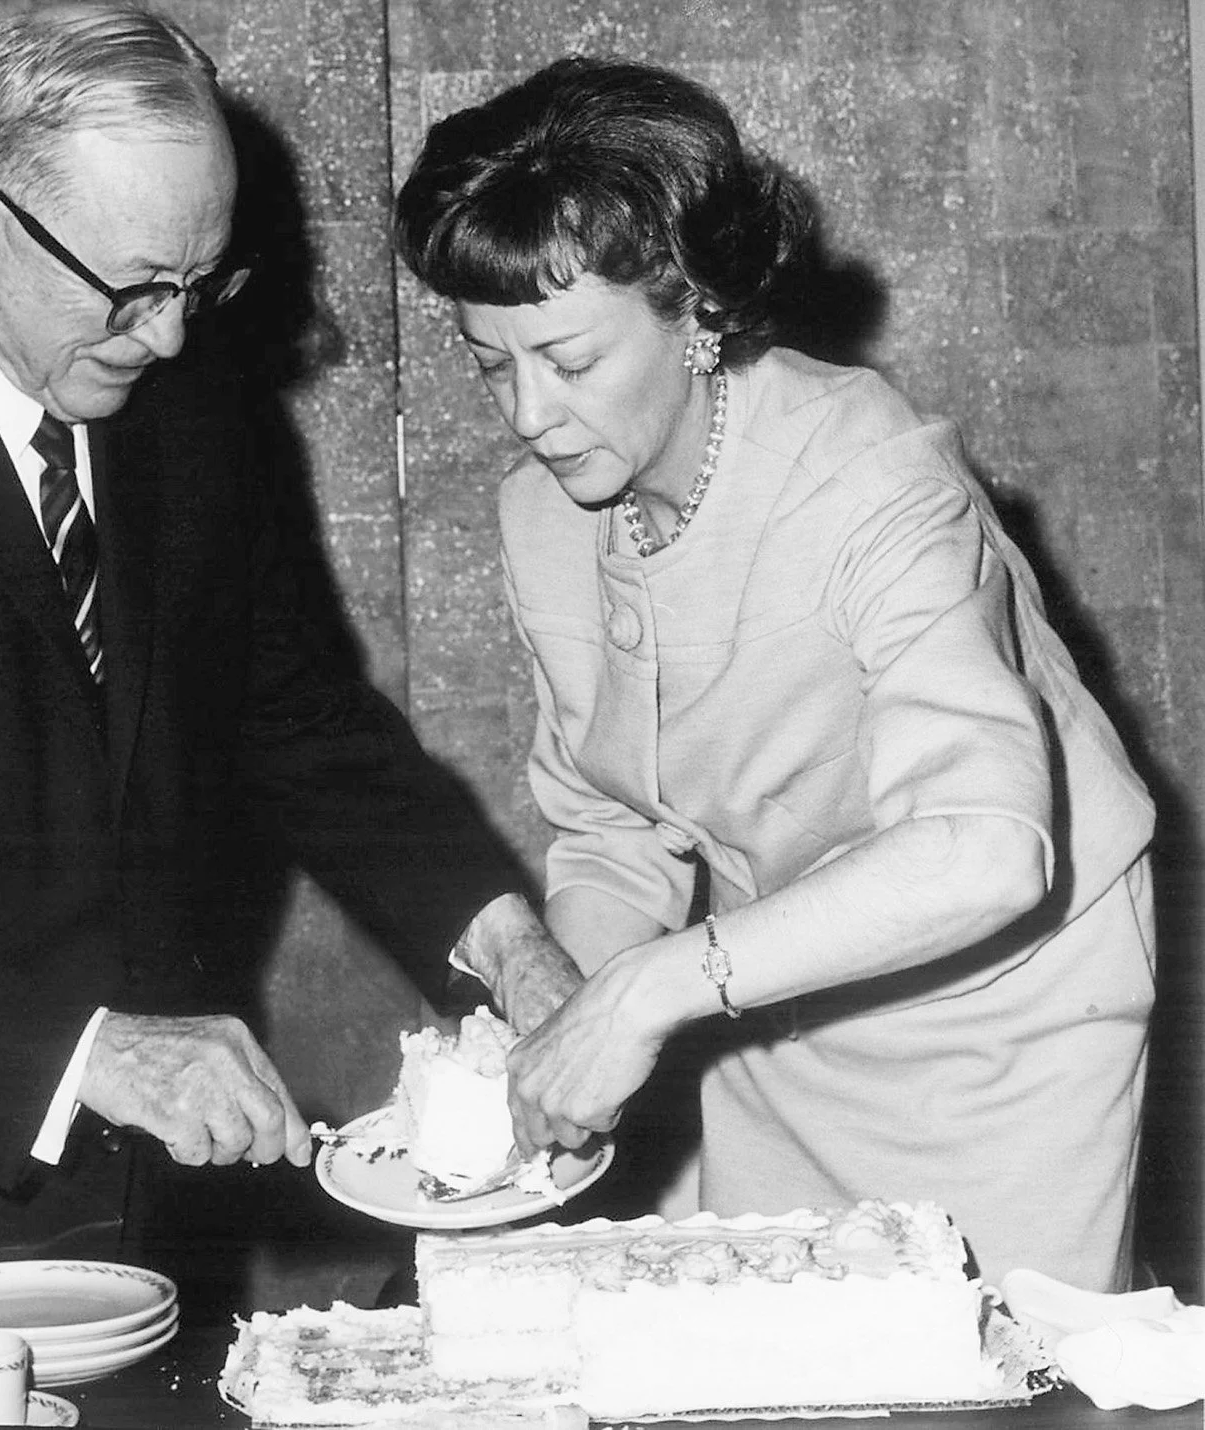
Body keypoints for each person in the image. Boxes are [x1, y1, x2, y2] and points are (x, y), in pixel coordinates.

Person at [0, 1, 575, 1377]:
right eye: (135, 289)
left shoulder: (172, 386)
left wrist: (502, 938)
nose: (175, 338)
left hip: (117, 1213)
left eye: (203, 282)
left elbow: (299, 718)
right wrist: (96, 1056)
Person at [393, 55, 1157, 1293]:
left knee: (982, 1364)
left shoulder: (872, 477)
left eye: (570, 361)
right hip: (773, 1004)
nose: (528, 413)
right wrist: (563, 1020)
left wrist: (647, 992)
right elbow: (615, 829)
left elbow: (986, 846)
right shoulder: (541, 515)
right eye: (492, 363)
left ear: (695, 312)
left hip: (1007, 1022)